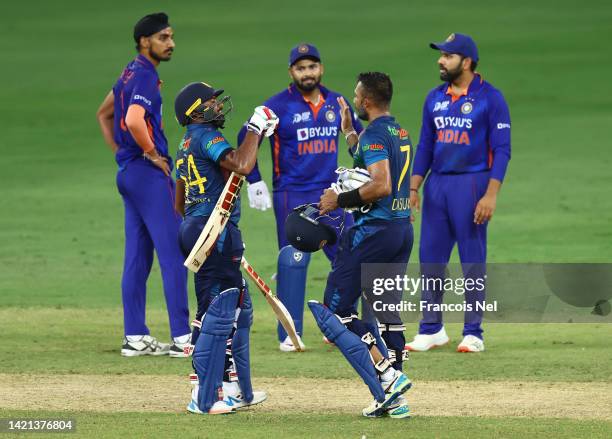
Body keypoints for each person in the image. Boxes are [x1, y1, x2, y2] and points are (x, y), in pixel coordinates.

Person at [238, 43, 363, 352]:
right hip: (291, 193)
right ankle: (289, 335)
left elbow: (358, 138)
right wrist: (254, 180)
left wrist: (360, 175)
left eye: (312, 67)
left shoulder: (338, 102)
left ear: (321, 68)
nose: (307, 73)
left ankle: (339, 321)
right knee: (294, 260)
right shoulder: (277, 106)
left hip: (332, 194)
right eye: (300, 68)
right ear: (291, 72)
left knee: (348, 255)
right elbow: (246, 137)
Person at [310, 72, 414, 418]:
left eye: (357, 97)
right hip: (400, 230)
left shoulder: (375, 136)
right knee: (384, 309)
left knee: (336, 309)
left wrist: (338, 200)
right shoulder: (398, 132)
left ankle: (386, 373)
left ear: (367, 101)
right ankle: (395, 399)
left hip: (373, 233)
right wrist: (349, 131)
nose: (354, 101)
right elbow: (371, 161)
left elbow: (381, 184)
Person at [173, 81, 279, 414]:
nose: (219, 106)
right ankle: (202, 393)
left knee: (233, 310)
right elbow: (243, 164)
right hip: (213, 229)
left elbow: (179, 202)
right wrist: (254, 128)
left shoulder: (185, 144)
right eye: (212, 102)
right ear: (197, 111)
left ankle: (231, 387)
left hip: (202, 226)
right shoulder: (206, 136)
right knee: (215, 310)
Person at [406, 33, 511, 353]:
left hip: (472, 184)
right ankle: (431, 329)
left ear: (466, 62)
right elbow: (426, 144)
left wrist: (490, 195)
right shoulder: (433, 98)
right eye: (441, 54)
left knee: (472, 260)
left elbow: (502, 150)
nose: (440, 60)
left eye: (448, 56)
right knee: (431, 260)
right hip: (438, 184)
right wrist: (414, 186)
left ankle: (473, 332)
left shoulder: (490, 98)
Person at [96, 12, 191, 357]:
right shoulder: (146, 76)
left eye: (171, 36)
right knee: (173, 254)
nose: (171, 43)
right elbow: (134, 119)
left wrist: (122, 154)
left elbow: (103, 114)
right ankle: (183, 338)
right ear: (144, 41)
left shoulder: (129, 72)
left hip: (129, 174)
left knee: (137, 256)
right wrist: (151, 154)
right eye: (164, 37)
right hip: (148, 176)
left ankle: (135, 336)